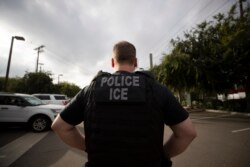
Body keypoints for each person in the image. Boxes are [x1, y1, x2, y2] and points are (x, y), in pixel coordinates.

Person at [51, 41, 197, 167]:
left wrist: (89, 148)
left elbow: (59, 126)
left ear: (113, 62)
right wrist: (163, 154)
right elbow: (187, 133)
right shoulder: (157, 89)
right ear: (136, 62)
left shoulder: (91, 89)